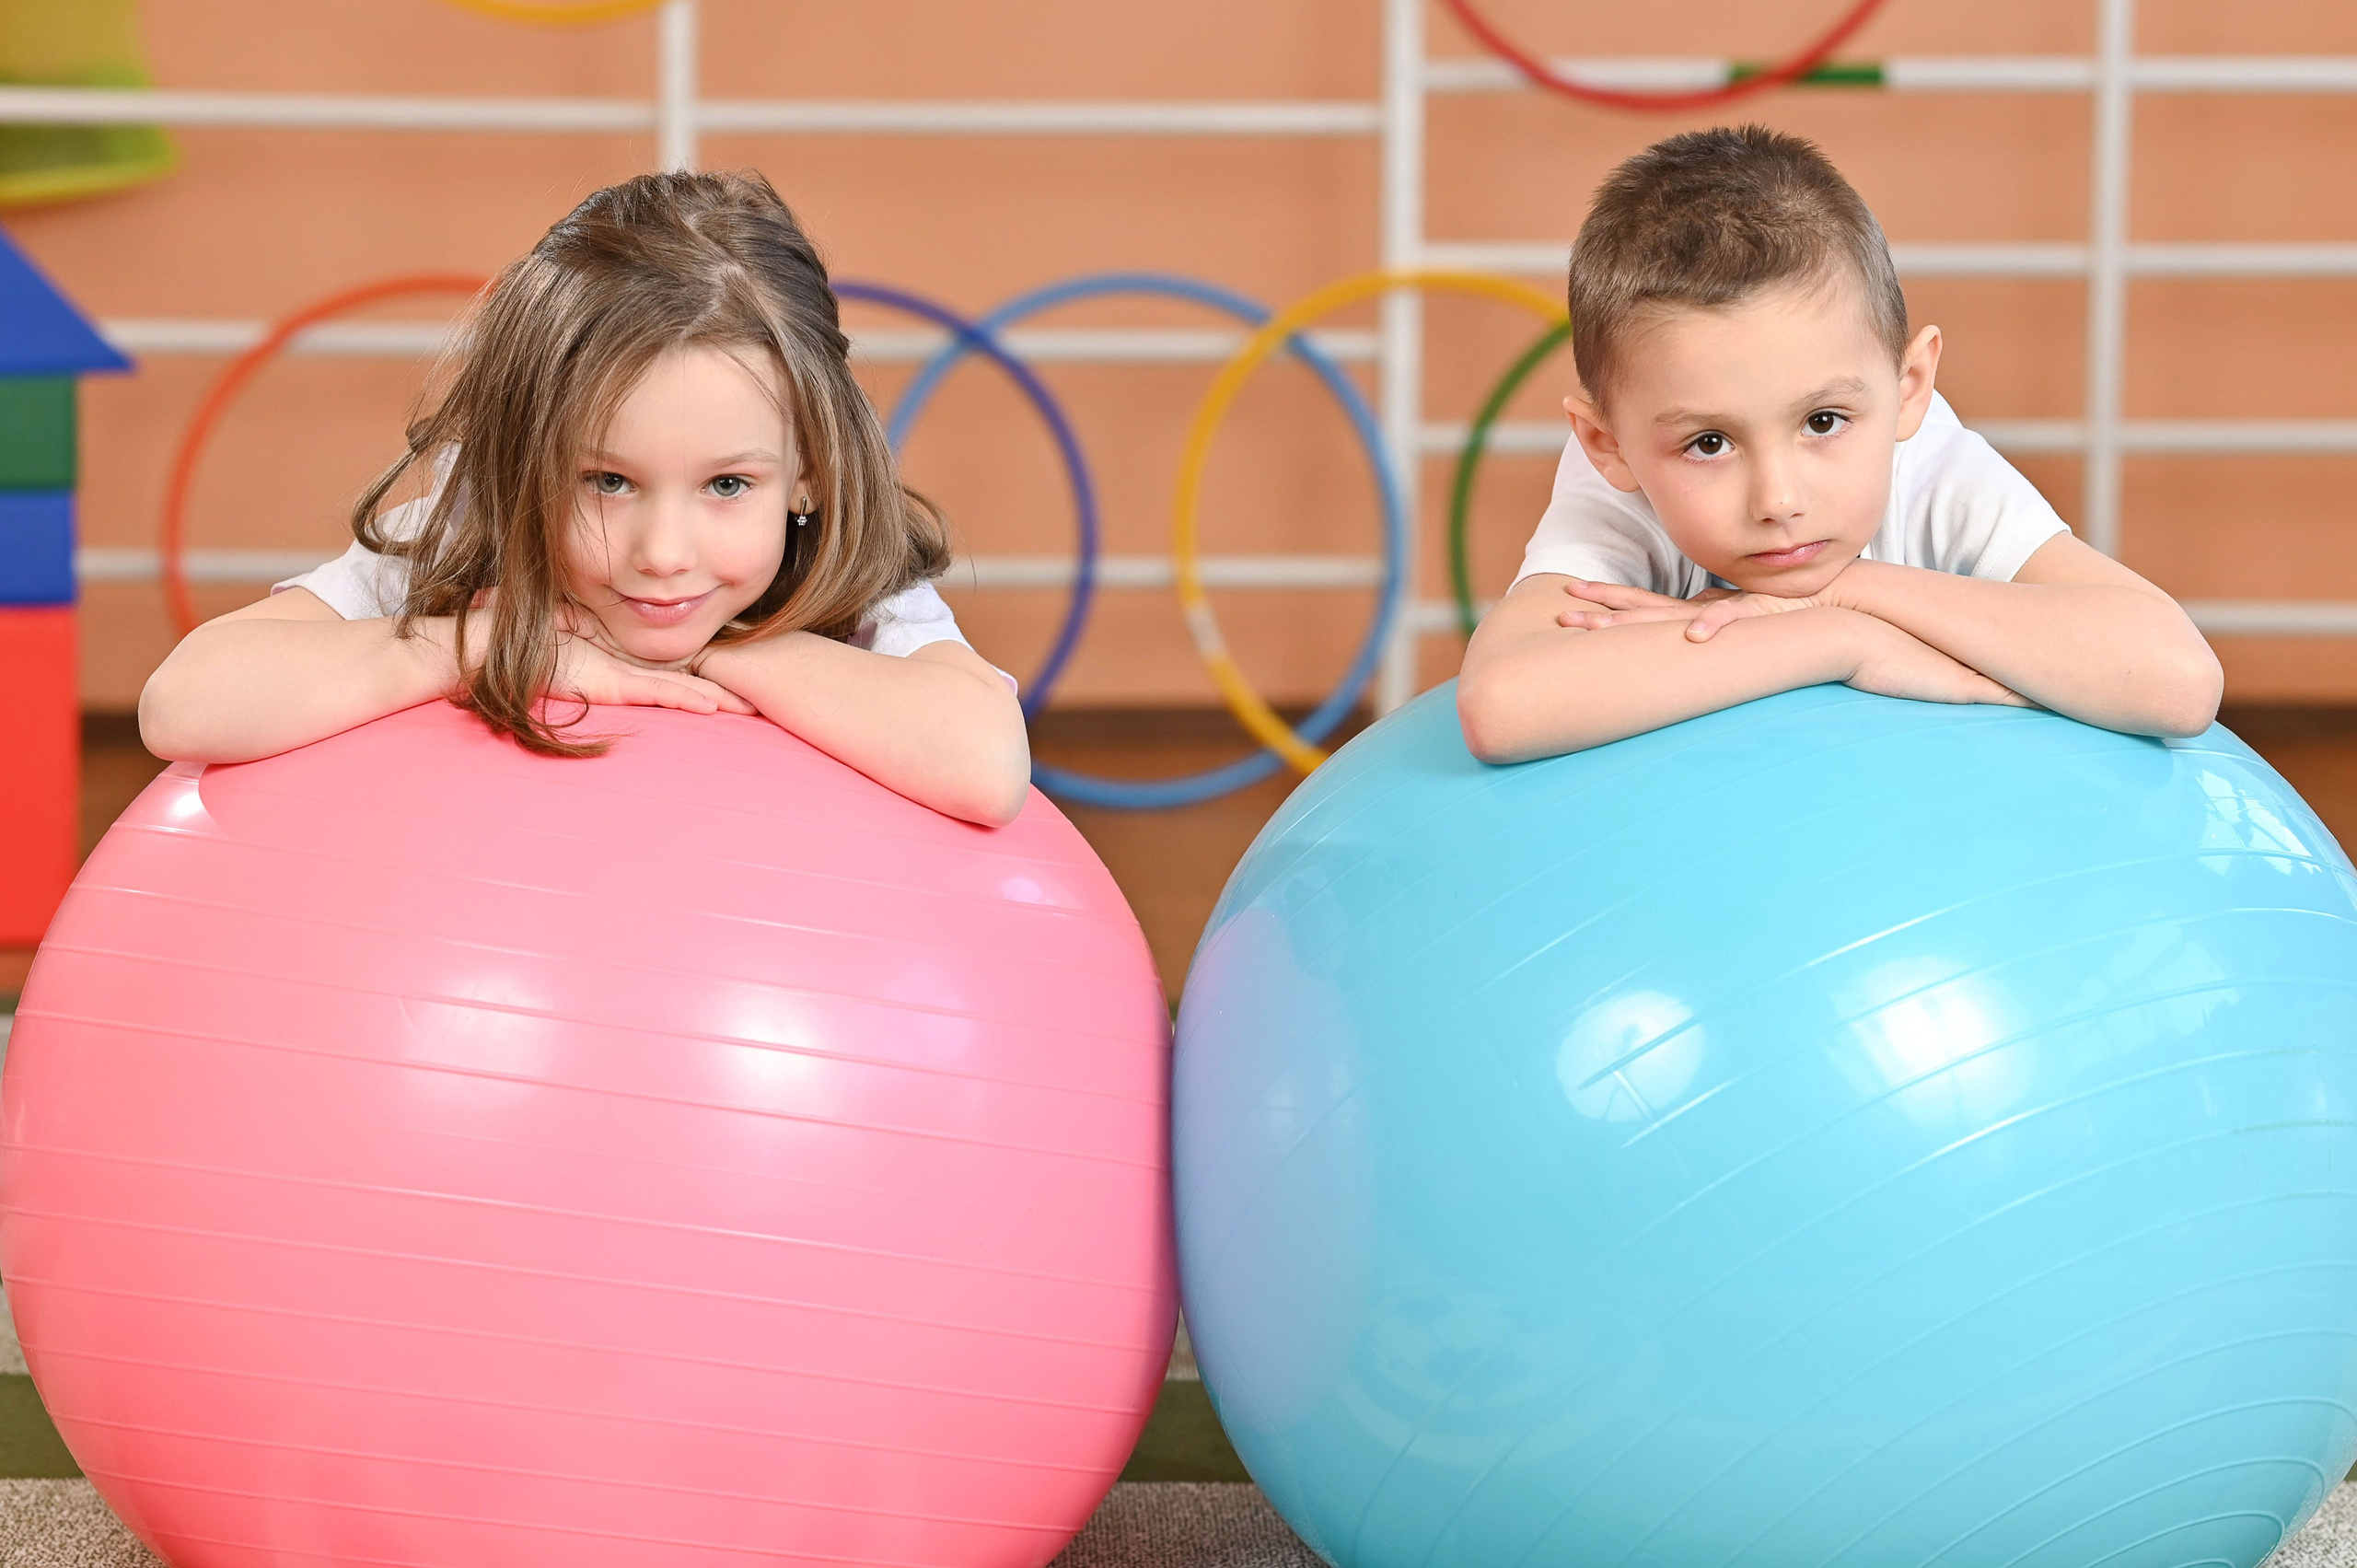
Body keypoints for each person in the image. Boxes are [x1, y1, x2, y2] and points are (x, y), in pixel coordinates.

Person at [139, 169, 1031, 827]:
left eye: (727, 484)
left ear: (808, 474)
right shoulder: (473, 529)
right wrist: (483, 642)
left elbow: (987, 763)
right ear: (532, 460)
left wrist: (714, 658)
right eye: (608, 481)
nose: (663, 552)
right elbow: (183, 701)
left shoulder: (843, 566)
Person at [1456, 125, 2223, 764]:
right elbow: (1503, 705)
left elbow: (2177, 681)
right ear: (1605, 442)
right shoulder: (1622, 475)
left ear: (1910, 386)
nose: (1780, 501)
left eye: (1822, 422)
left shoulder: (1933, 468)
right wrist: (1845, 643)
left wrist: (1846, 590)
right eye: (1711, 443)